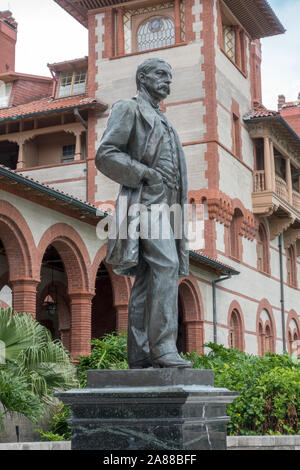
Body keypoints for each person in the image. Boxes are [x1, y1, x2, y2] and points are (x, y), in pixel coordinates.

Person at [96, 58, 192, 368]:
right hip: (144, 202)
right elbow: (106, 154)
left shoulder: (166, 122)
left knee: (148, 279)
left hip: (170, 206)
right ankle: (163, 347)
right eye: (161, 74)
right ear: (143, 78)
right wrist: (145, 174)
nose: (168, 81)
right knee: (167, 264)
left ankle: (140, 354)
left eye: (170, 76)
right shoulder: (129, 108)